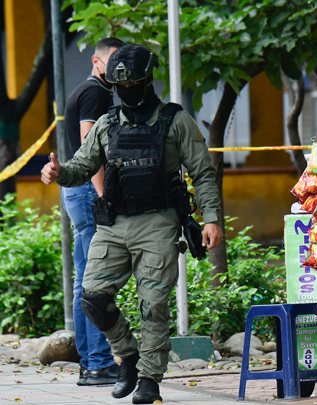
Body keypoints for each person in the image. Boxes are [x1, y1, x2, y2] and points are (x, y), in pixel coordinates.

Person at [41, 43, 223, 404]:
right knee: (92, 297)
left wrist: (212, 219)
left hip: (158, 222)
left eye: (132, 85)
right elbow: (82, 166)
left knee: (152, 304)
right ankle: (128, 355)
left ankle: (149, 381)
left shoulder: (175, 120)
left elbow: (203, 173)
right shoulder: (107, 124)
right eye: (118, 87)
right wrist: (59, 171)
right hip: (113, 224)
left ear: (147, 81)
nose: (126, 92)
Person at [62, 37, 125, 387]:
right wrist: (103, 196)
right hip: (87, 190)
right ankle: (98, 363)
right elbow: (92, 145)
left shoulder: (91, 91)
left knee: (84, 280)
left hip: (79, 191)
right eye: (113, 60)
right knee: (94, 281)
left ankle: (92, 362)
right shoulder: (96, 93)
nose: (119, 67)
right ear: (96, 62)